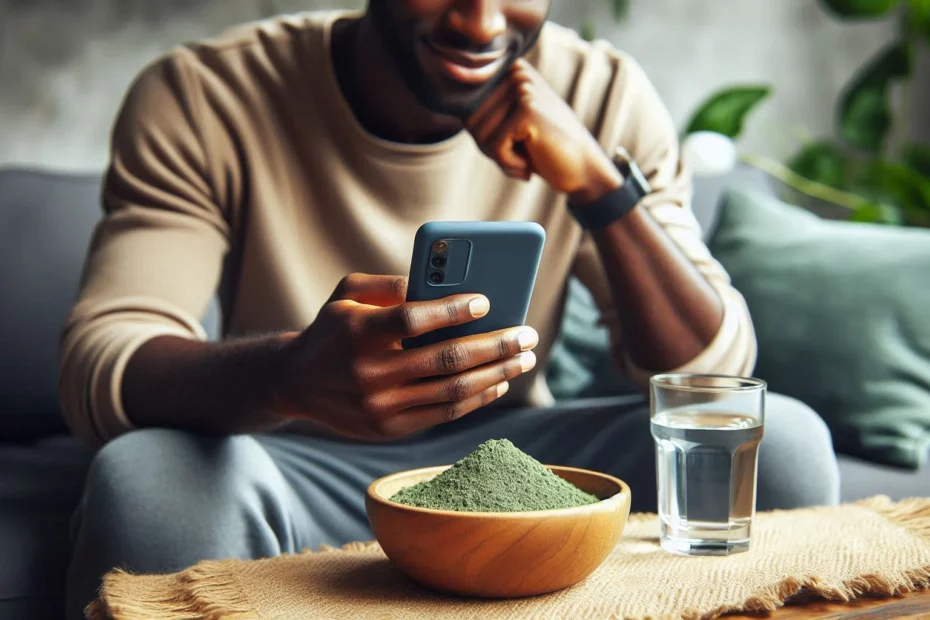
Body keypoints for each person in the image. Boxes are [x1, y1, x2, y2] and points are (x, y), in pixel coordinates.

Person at [61, 1, 840, 616]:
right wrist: (291, 375)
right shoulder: (207, 93)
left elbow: (710, 373)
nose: (481, 23)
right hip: (290, 464)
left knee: (781, 443)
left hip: (522, 472)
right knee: (147, 481)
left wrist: (601, 188)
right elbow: (106, 358)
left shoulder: (598, 93)